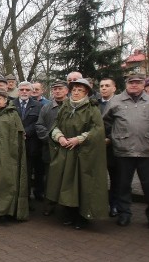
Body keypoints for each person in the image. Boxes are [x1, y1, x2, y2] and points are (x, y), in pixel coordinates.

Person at [45, 78, 108, 229]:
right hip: (66, 152)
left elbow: (97, 130)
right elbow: (55, 125)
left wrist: (79, 139)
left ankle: (82, 216)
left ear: (86, 92)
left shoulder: (92, 108)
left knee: (82, 184)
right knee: (66, 184)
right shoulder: (65, 107)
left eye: (80, 90)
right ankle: (69, 213)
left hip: (83, 154)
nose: (76, 92)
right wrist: (59, 136)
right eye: (74, 90)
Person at [102, 75, 149, 229]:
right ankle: (124, 213)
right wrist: (112, 137)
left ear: (144, 85)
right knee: (123, 185)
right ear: (126, 84)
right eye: (131, 83)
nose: (134, 85)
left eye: (138, 83)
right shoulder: (115, 101)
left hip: (147, 150)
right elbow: (104, 122)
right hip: (123, 150)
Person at [0, 88, 29, 220]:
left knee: (5, 181)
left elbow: (19, 135)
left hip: (7, 153)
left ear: (5, 101)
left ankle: (4, 211)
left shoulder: (12, 115)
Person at [35, 81, 68, 214]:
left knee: (68, 178)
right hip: (50, 149)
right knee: (49, 179)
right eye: (55, 89)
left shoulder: (72, 107)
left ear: (66, 91)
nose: (57, 91)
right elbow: (39, 125)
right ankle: (49, 205)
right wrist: (51, 139)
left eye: (60, 89)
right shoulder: (46, 108)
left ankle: (67, 207)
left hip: (69, 148)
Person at [97, 78, 119, 216]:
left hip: (114, 148)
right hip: (97, 147)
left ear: (114, 88)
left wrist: (110, 139)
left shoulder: (120, 103)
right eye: (101, 86)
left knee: (116, 179)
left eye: (107, 86)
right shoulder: (94, 104)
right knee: (98, 179)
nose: (104, 88)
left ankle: (114, 205)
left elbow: (122, 124)